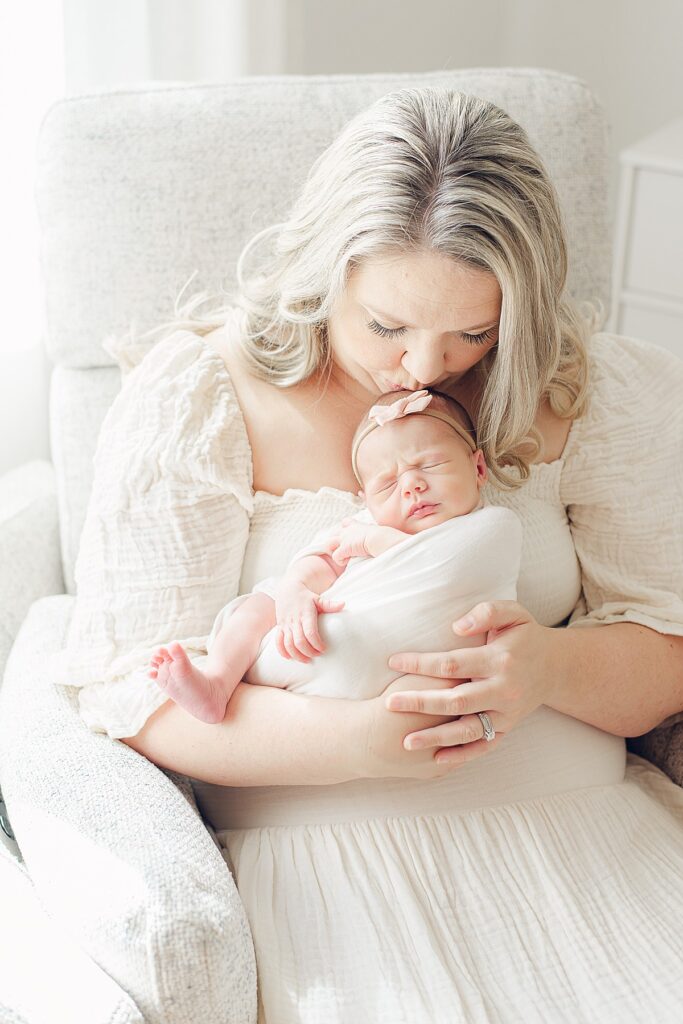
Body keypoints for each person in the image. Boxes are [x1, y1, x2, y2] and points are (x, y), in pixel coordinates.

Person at [64, 86, 683, 1022]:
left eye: (475, 334)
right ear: (326, 271)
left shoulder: (586, 391)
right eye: (387, 327)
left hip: (588, 849)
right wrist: (353, 744)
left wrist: (550, 667)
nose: (426, 371)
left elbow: (668, 644)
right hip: (330, 873)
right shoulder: (203, 398)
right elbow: (132, 693)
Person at [146, 387, 521, 729]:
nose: (412, 486)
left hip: (403, 676)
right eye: (387, 484)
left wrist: (376, 541)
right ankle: (216, 681)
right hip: (301, 649)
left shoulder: (490, 529)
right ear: (366, 500)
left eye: (431, 465)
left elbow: (447, 564)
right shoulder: (359, 526)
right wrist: (296, 590)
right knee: (260, 605)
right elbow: (320, 562)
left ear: (478, 468)